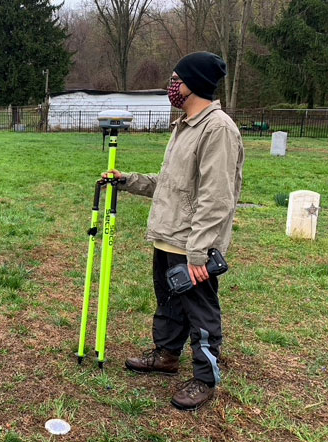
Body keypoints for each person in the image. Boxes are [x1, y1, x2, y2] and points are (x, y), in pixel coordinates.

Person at [104, 52, 245, 411]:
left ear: (194, 84)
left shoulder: (218, 130)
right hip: (169, 234)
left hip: (192, 243)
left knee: (200, 311)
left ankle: (204, 377)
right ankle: (166, 356)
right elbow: (171, 185)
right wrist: (127, 181)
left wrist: (200, 252)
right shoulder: (185, 125)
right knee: (168, 301)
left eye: (175, 79)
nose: (171, 86)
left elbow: (216, 198)